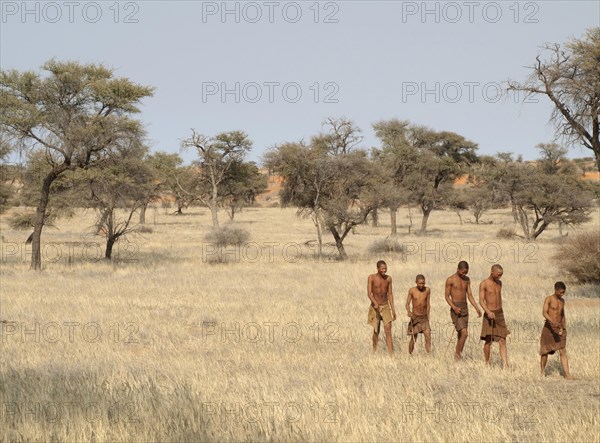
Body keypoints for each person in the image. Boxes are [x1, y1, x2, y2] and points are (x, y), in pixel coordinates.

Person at [445, 261, 481, 360]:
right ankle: (458, 355)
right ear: (458, 269)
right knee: (465, 333)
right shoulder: (450, 280)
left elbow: (469, 295)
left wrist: (476, 307)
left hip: (464, 308)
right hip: (456, 308)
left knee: (461, 334)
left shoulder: (467, 280)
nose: (464, 274)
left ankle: (457, 357)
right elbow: (447, 296)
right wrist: (454, 307)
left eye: (466, 272)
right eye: (462, 272)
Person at [479, 264, 510, 369]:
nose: (499, 277)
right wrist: (488, 312)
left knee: (502, 339)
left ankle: (506, 366)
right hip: (489, 314)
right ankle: (487, 363)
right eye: (497, 275)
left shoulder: (500, 283)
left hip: (499, 314)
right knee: (488, 340)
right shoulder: (484, 284)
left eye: (501, 275)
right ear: (492, 272)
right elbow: (481, 301)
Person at [540, 282, 572, 379]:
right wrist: (552, 321)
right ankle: (542, 372)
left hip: (559, 329)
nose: (562, 294)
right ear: (556, 290)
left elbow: (562, 315)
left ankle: (567, 374)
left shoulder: (562, 301)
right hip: (549, 328)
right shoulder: (549, 299)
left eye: (563, 293)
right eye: (560, 292)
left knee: (562, 350)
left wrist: (564, 327)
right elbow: (544, 312)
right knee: (545, 351)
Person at [367, 260, 396, 354]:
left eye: (385, 268)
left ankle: (391, 354)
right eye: (382, 268)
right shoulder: (371, 278)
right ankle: (374, 351)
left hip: (385, 306)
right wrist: (375, 303)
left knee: (388, 329)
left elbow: (390, 294)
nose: (384, 270)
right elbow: (369, 293)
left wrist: (393, 310)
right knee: (376, 330)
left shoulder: (388, 279)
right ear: (378, 268)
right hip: (375, 307)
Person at [405, 274, 431, 354]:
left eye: (423, 283)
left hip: (424, 318)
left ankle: (428, 354)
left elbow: (428, 304)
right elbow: (407, 304)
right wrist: (409, 312)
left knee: (428, 336)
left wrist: (428, 317)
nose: (422, 285)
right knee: (414, 337)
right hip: (415, 317)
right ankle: (410, 354)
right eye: (420, 283)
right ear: (416, 282)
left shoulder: (427, 290)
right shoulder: (412, 290)